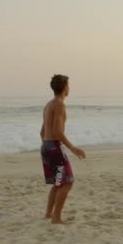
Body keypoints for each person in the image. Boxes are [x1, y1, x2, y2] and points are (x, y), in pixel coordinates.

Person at [40, 74, 86, 224]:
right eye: (68, 85)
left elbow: (42, 132)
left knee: (58, 182)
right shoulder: (59, 105)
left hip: (46, 146)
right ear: (65, 87)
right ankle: (56, 218)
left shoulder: (48, 104)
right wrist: (73, 148)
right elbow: (57, 132)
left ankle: (49, 214)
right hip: (53, 146)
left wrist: (48, 147)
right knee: (67, 182)